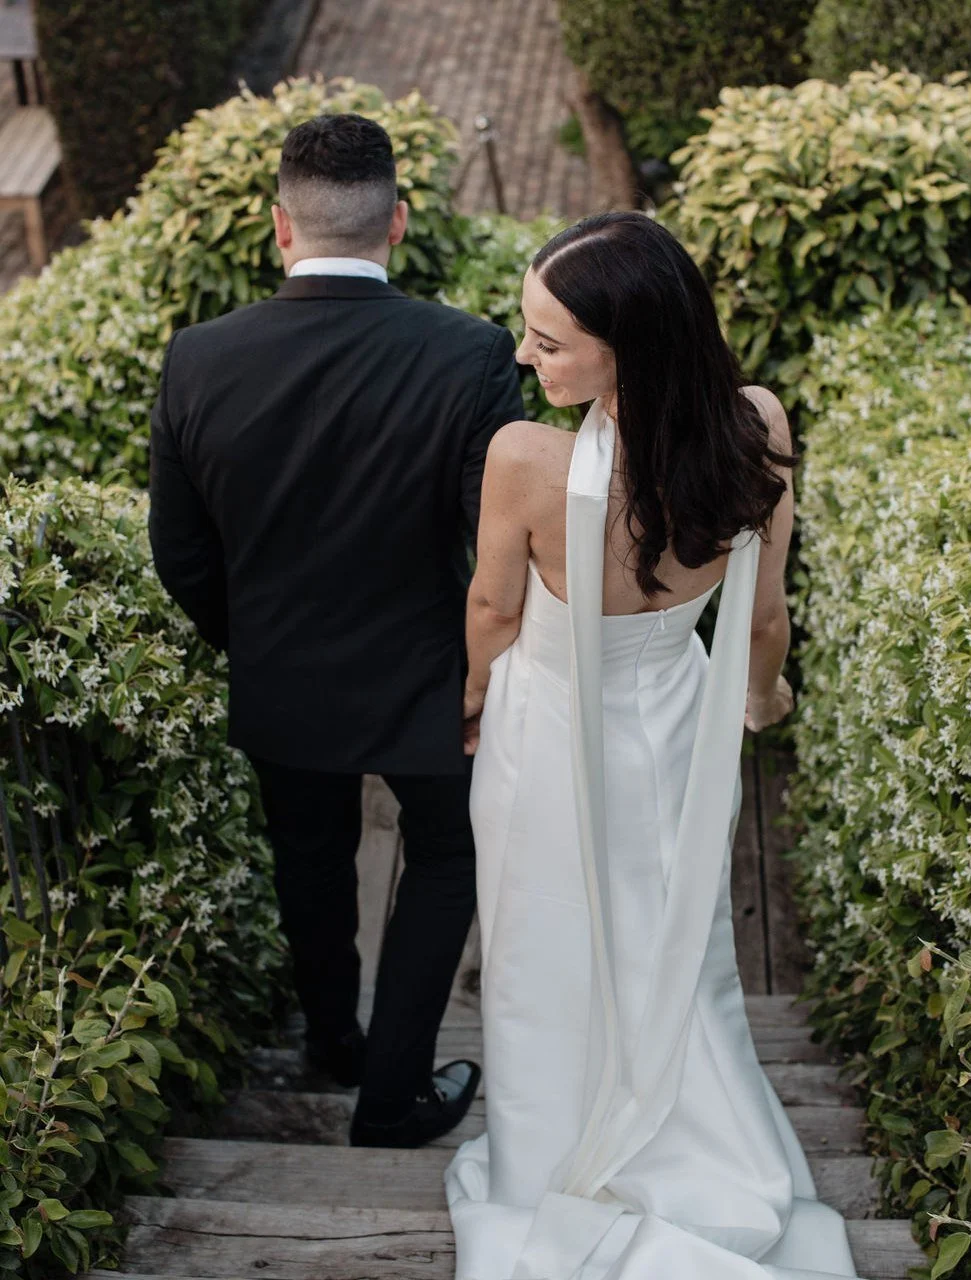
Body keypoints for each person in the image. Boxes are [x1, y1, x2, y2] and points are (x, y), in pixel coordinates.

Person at [446, 213, 861, 1279]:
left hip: (548, 725)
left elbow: (492, 607)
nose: (521, 354)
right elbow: (762, 620)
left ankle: (551, 1151)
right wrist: (757, 705)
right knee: (672, 931)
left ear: (626, 345)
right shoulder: (756, 426)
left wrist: (473, 696)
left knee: (545, 937)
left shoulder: (525, 457)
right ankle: (690, 1125)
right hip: (678, 722)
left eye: (548, 340)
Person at [148, 112, 524, 1149]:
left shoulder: (197, 360)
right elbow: (490, 546)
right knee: (448, 859)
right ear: (397, 221)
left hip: (282, 679)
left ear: (279, 226)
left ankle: (333, 1041)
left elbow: (181, 556)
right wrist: (476, 667)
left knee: (308, 859)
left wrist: (258, 639)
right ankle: (391, 1096)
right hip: (430, 679)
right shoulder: (469, 353)